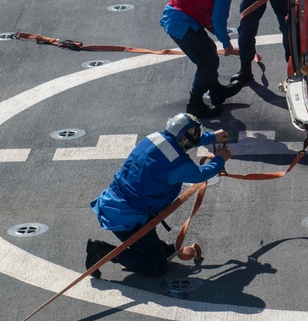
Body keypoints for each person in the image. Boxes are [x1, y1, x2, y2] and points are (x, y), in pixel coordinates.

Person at [85, 113, 231, 278]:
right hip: (128, 218)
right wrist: (220, 159)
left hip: (115, 202)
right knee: (157, 267)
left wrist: (211, 137)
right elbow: (200, 174)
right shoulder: (179, 165)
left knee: (161, 249)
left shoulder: (154, 138)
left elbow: (180, 140)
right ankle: (103, 251)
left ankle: (151, 247)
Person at [160, 0, 245, 118]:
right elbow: (219, 20)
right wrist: (226, 43)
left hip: (176, 17)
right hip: (182, 22)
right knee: (208, 62)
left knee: (208, 53)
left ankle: (216, 91)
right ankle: (195, 104)